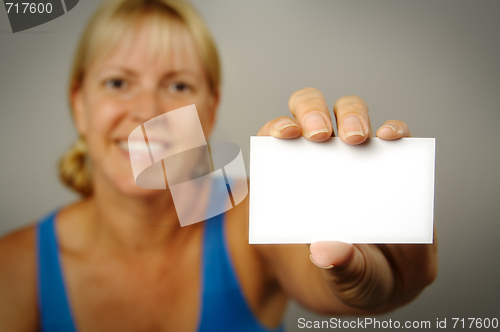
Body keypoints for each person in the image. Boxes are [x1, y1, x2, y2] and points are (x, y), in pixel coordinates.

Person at [0, 0, 438, 331]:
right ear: (80, 105)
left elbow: (326, 279)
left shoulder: (249, 208)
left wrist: (368, 285)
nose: (148, 111)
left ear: (210, 109)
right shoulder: (13, 267)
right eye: (118, 82)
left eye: (177, 84)